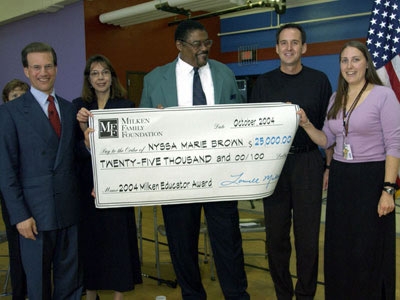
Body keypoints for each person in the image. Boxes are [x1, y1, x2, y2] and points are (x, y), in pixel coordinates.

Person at [139, 19, 250, 300]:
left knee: (228, 242)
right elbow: (142, 129)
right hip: (177, 179)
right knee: (182, 244)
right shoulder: (155, 79)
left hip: (221, 176)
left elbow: (238, 119)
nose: (204, 49)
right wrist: (156, 123)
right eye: (197, 44)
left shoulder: (224, 73)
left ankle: (237, 295)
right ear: (179, 45)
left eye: (207, 43)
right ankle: (192, 295)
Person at [297, 40, 400, 300]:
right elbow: (327, 140)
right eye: (344, 60)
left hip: (372, 178)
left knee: (368, 248)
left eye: (355, 59)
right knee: (341, 246)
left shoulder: (383, 95)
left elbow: (394, 144)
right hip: (342, 178)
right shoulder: (336, 98)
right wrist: (307, 124)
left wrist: (388, 190)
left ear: (367, 63)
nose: (349, 65)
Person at [249, 23, 332, 299]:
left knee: (308, 239)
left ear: (304, 48)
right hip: (274, 166)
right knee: (276, 239)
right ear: (276, 48)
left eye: (294, 42)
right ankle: (283, 294)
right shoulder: (263, 83)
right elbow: (254, 130)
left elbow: (329, 129)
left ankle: (306, 294)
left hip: (308, 164)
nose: (289, 48)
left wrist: (328, 167)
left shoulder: (319, 80)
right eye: (283, 43)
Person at [0, 42, 83, 299]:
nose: (43, 72)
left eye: (48, 66)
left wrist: (90, 146)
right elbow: (5, 169)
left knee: (71, 283)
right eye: (36, 67)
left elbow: (73, 159)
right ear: (26, 71)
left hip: (68, 211)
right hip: (33, 217)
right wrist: (19, 216)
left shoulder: (69, 109)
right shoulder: (10, 113)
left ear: (56, 68)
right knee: (37, 286)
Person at [74, 54, 142, 300]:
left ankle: (118, 295)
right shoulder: (78, 107)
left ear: (112, 77)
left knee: (117, 243)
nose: (100, 77)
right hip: (87, 189)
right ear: (88, 79)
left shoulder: (126, 106)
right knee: (90, 242)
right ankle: (90, 294)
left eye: (105, 72)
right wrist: (84, 137)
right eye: (95, 73)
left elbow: (131, 148)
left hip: (117, 188)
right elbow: (73, 152)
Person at [1, 79, 29, 300]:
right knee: (18, 251)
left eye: (23, 96)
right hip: (12, 197)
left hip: (37, 195)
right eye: (14, 97)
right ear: (6, 101)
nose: (18, 101)